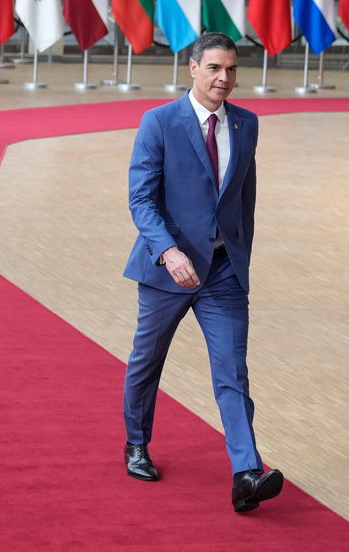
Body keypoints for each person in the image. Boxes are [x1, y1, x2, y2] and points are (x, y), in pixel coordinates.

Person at [121, 31, 282, 513]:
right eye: (214, 68)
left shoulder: (247, 125)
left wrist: (239, 258)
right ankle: (135, 442)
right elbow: (141, 200)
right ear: (192, 68)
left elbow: (243, 201)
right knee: (147, 361)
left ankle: (246, 472)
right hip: (167, 269)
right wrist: (169, 252)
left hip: (222, 272)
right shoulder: (159, 122)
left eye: (231, 69)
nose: (224, 78)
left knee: (233, 372)